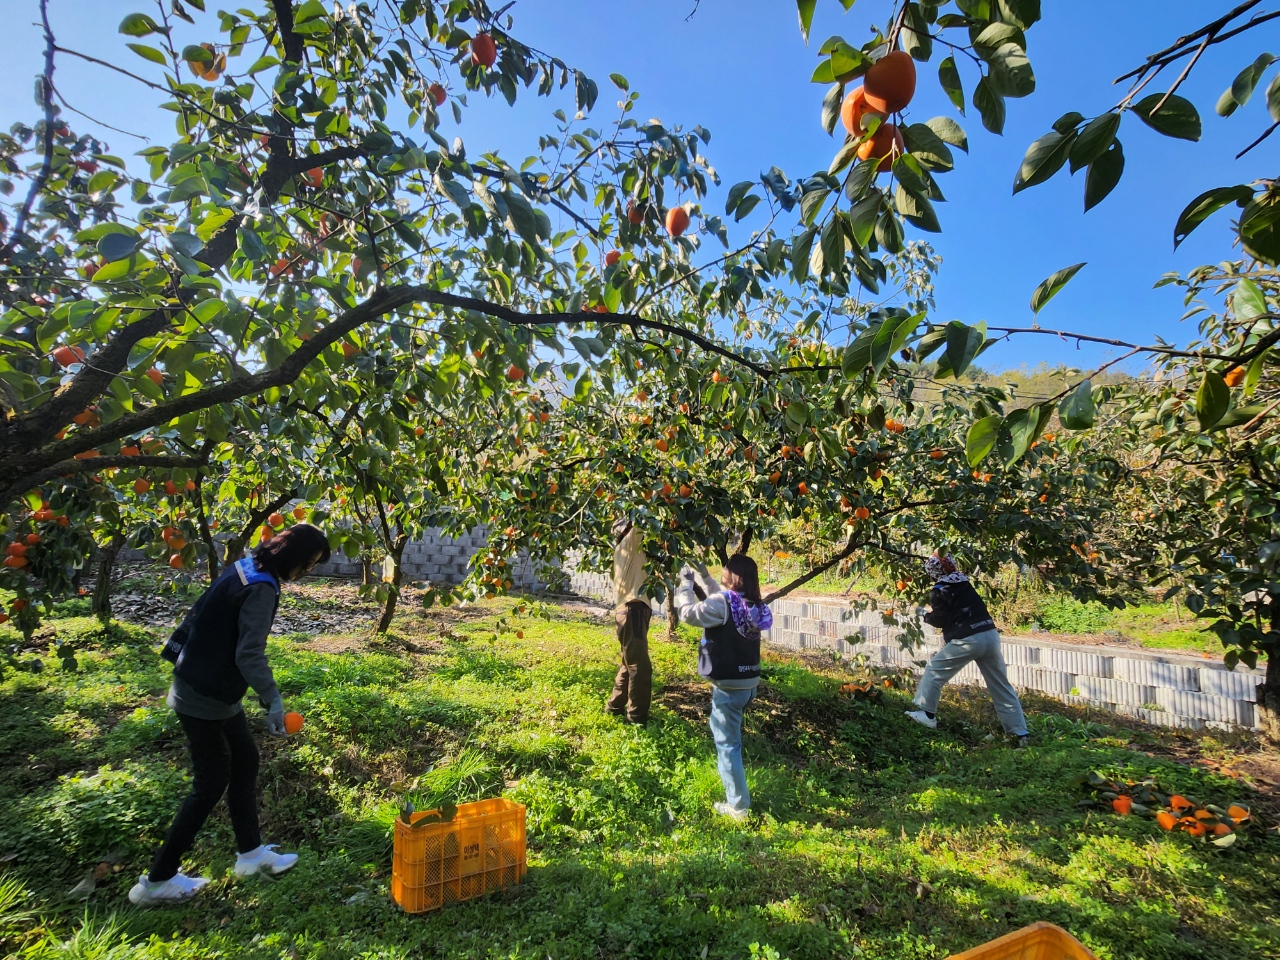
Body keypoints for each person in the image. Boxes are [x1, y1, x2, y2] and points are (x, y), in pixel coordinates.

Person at [129, 523, 331, 906]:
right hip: (204, 695)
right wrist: (273, 700)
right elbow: (248, 653)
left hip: (203, 680)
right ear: (293, 557)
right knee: (210, 783)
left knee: (246, 760)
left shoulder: (247, 566)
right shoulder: (262, 588)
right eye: (308, 563)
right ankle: (155, 882)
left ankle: (250, 855)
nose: (307, 571)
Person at [675, 554, 773, 821]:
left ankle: (738, 807)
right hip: (748, 683)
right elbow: (722, 601)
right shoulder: (753, 605)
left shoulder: (725, 604)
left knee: (728, 745)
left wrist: (685, 585)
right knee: (732, 741)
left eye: (726, 568)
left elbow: (688, 614)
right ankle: (738, 797)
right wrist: (706, 577)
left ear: (734, 575)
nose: (723, 570)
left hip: (728, 688)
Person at [905, 553, 1029, 747]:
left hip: (968, 639)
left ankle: (926, 713)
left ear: (933, 571)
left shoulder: (939, 589)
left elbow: (939, 619)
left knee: (934, 670)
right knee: (1000, 685)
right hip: (990, 635)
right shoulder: (964, 583)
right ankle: (1020, 733)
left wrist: (923, 614)